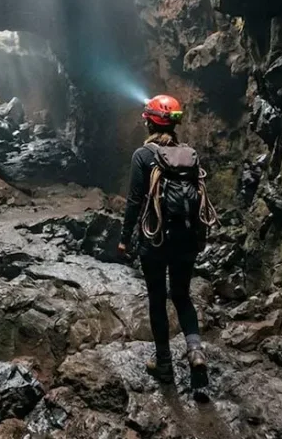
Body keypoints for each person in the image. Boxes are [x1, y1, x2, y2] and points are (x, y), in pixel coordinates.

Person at [116, 94, 215, 388]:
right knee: (182, 296)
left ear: (148, 122)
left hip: (155, 240)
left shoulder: (143, 156)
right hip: (187, 240)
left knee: (158, 300)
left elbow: (134, 201)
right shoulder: (190, 154)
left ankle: (164, 364)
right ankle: (196, 352)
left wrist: (124, 239)